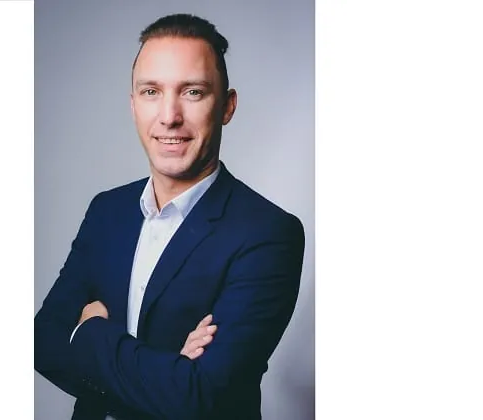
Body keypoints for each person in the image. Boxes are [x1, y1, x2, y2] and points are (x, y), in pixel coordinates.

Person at [34, 13, 305, 420]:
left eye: (193, 92)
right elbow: (43, 341)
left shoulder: (268, 233)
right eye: (151, 91)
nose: (169, 116)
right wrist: (170, 372)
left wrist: (89, 334)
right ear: (133, 105)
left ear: (227, 106)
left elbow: (199, 397)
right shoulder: (107, 211)